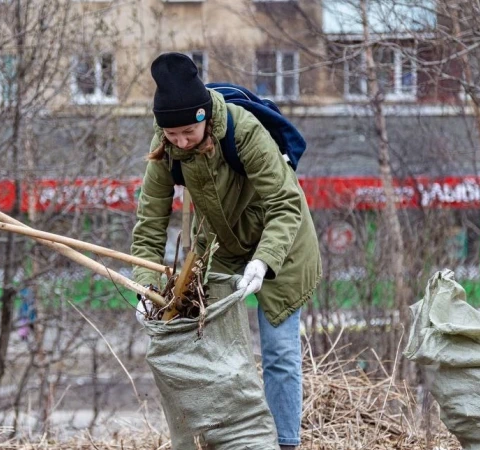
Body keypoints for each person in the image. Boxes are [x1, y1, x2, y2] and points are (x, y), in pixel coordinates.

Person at [130, 52, 322, 449]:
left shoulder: (245, 131)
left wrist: (264, 261)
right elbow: (150, 225)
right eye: (172, 134)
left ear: (203, 118)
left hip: (281, 243)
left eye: (187, 133)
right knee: (210, 353)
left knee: (279, 352)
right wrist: (144, 284)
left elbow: (286, 204)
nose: (180, 142)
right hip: (220, 248)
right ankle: (226, 440)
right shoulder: (165, 147)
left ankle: (284, 443)